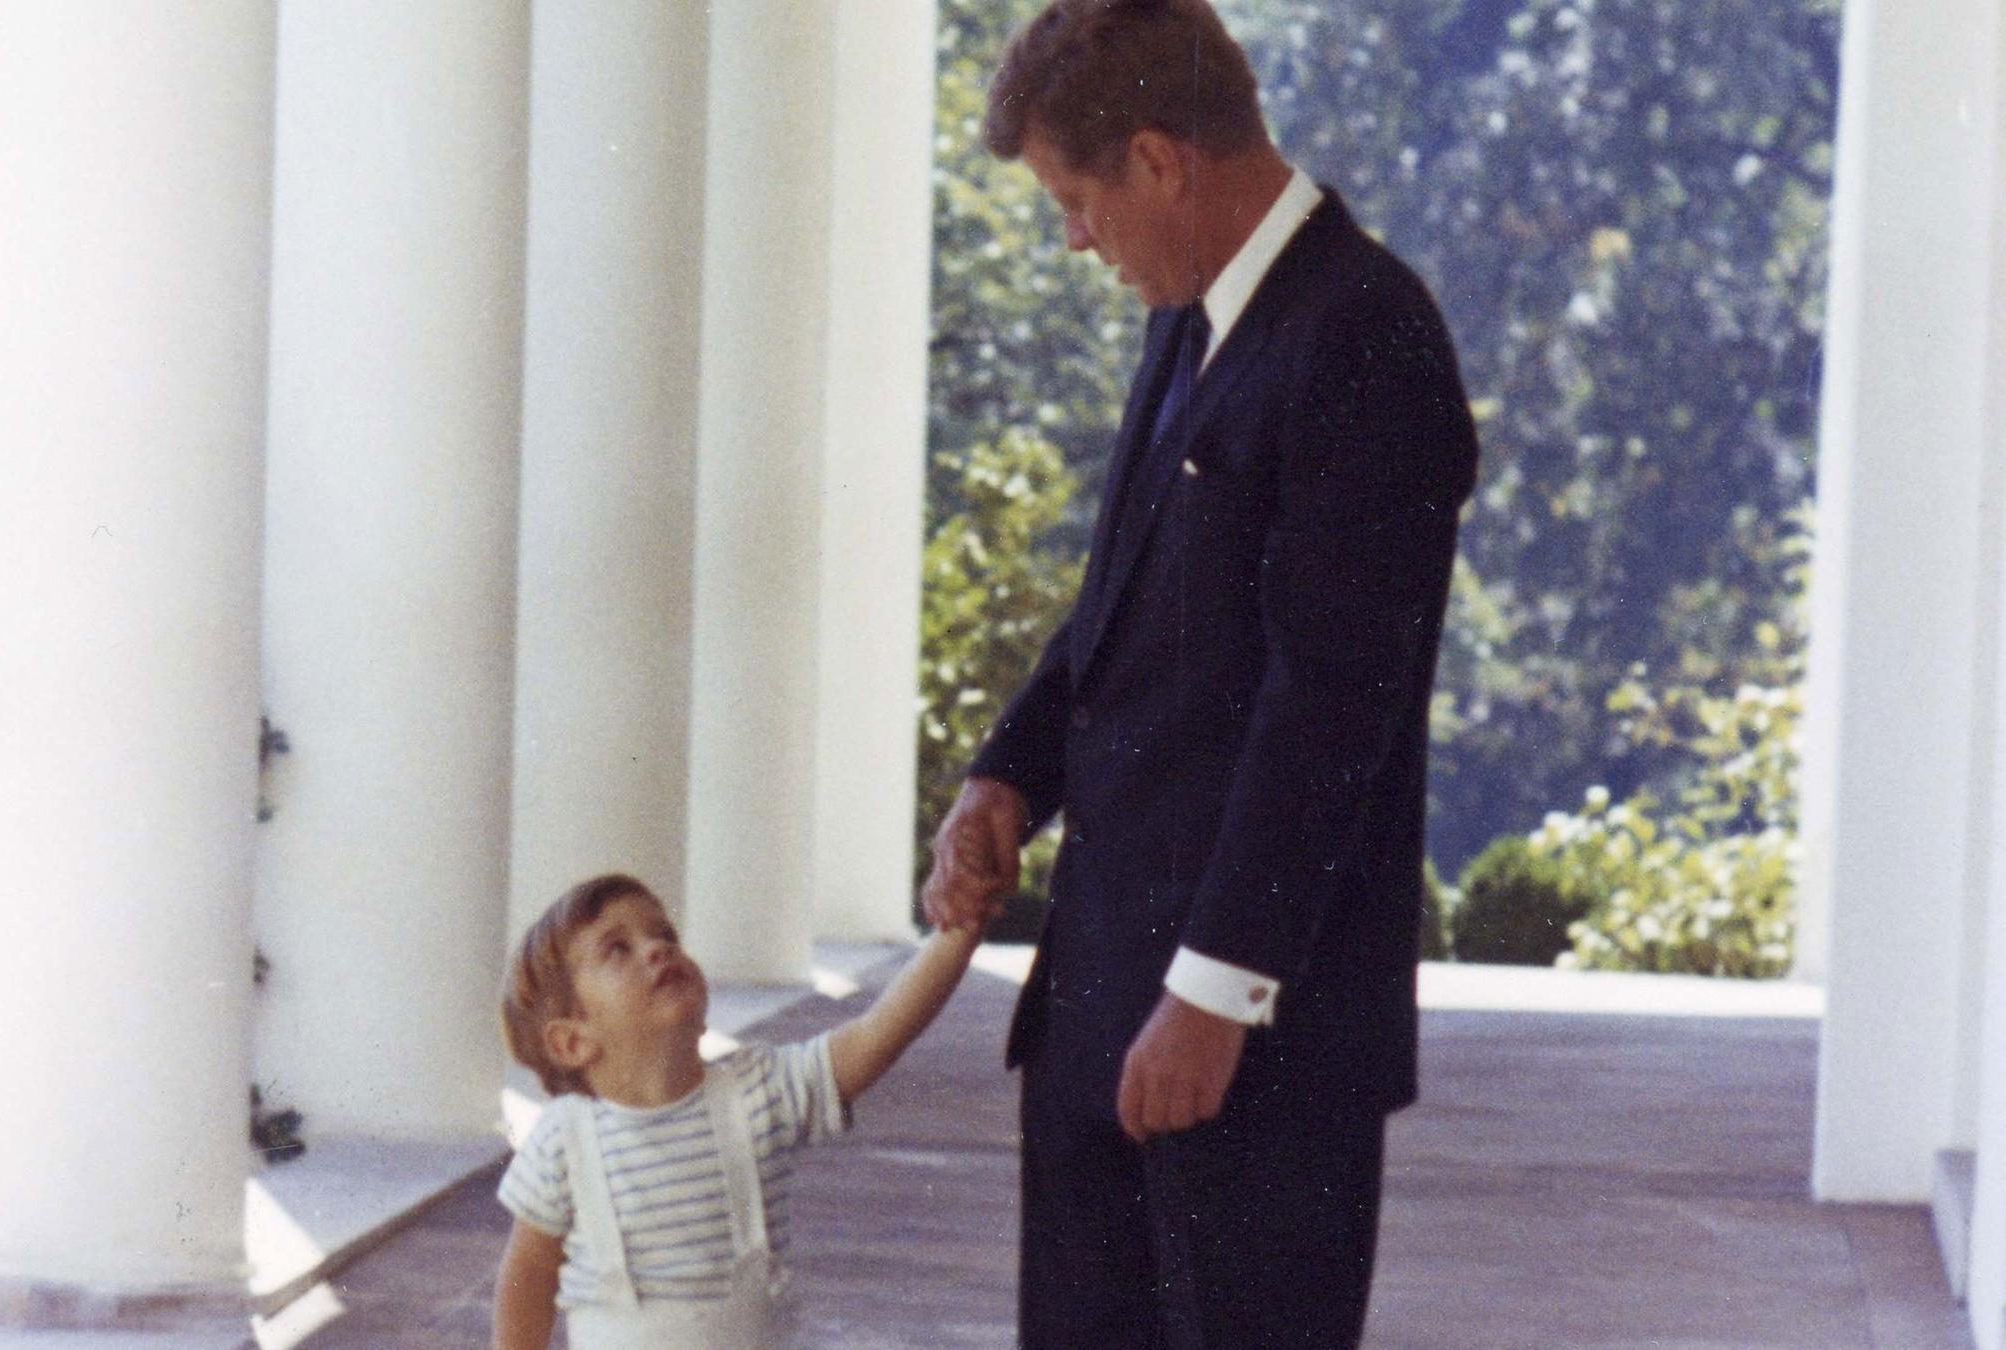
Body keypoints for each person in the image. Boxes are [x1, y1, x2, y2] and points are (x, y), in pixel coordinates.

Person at [920, 2, 1480, 1345]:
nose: (1071, 238)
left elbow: (1327, 710)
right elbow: (1122, 615)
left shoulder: (1372, 339)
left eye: (1074, 199)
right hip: (1098, 1023)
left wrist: (1214, 995)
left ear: (1162, 162)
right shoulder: (1189, 319)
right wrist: (1007, 775)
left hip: (1254, 1061)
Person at [490, 873, 981, 1349]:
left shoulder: (758, 1093)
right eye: (618, 948)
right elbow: (527, 1278)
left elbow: (875, 1036)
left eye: (665, 935)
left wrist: (958, 930)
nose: (657, 948)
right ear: (573, 1040)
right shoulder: (564, 1142)